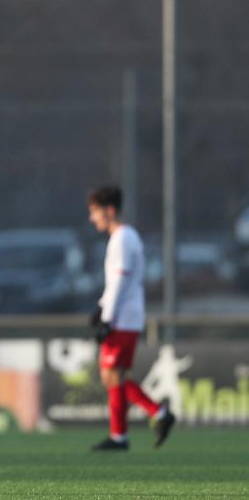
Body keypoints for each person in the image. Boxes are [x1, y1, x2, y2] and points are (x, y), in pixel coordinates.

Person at [87, 185, 175, 451]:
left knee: (113, 375)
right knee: (112, 376)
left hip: (122, 318)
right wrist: (101, 307)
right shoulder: (125, 237)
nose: (92, 218)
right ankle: (120, 436)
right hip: (124, 315)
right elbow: (118, 282)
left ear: (110, 210)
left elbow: (121, 281)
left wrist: (107, 318)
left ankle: (158, 413)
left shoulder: (122, 238)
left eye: (95, 212)